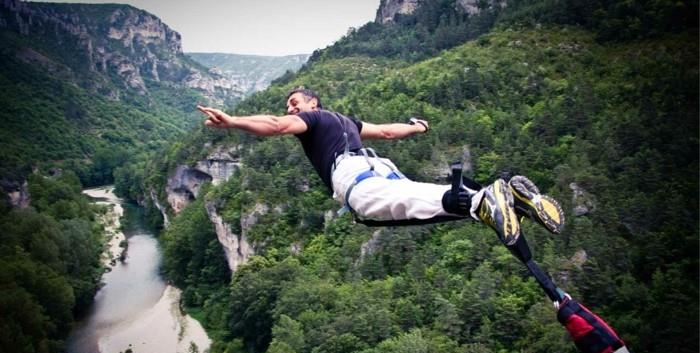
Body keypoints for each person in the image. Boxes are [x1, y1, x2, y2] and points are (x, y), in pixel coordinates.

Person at [197, 88, 564, 245]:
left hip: (352, 175)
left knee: (380, 209)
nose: (290, 109)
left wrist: (232, 121)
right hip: (380, 166)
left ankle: (480, 203)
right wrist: (418, 126)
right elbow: (388, 132)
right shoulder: (347, 121)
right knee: (412, 196)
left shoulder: (313, 119)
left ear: (312, 102)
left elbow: (274, 126)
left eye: (295, 102)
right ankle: (503, 198)